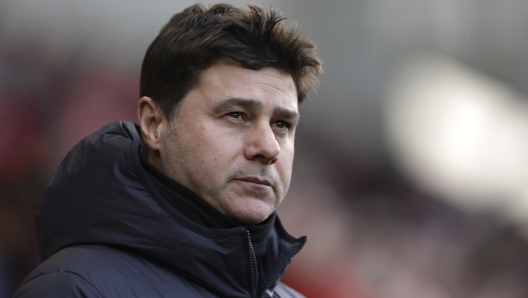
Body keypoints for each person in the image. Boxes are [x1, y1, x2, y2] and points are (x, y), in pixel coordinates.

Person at [13, 3, 322, 298]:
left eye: (282, 124)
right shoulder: (69, 290)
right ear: (153, 123)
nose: (268, 147)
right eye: (236, 115)